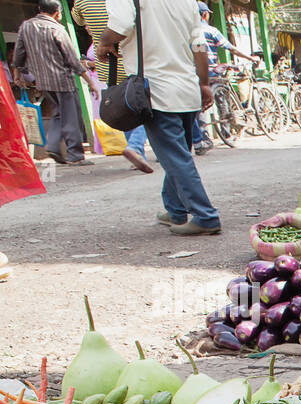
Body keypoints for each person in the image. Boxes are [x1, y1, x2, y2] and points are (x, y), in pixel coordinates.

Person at [100, 0, 223, 235]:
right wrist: (204, 83)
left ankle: (205, 216)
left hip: (156, 91)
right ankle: (176, 210)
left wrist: (104, 42)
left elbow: (121, 24)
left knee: (175, 157)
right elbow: (199, 45)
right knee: (177, 155)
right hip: (186, 88)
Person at [13, 0, 101, 166]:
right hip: (63, 81)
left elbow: (19, 53)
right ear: (57, 13)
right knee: (71, 118)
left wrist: (18, 73)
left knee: (58, 114)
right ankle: (75, 155)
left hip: (43, 82)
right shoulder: (57, 29)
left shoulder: (26, 26)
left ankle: (53, 145)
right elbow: (72, 60)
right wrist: (89, 81)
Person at [71, 0, 152, 172]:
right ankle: (136, 147)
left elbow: (78, 20)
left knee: (122, 107)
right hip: (134, 60)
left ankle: (137, 152)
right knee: (146, 105)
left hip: (107, 64)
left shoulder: (81, 3)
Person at [194, 1, 254, 155]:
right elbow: (230, 48)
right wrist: (250, 58)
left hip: (192, 74)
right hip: (209, 73)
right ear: (205, 15)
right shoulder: (210, 31)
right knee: (221, 99)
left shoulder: (187, 31)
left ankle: (200, 137)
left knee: (194, 108)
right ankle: (225, 130)